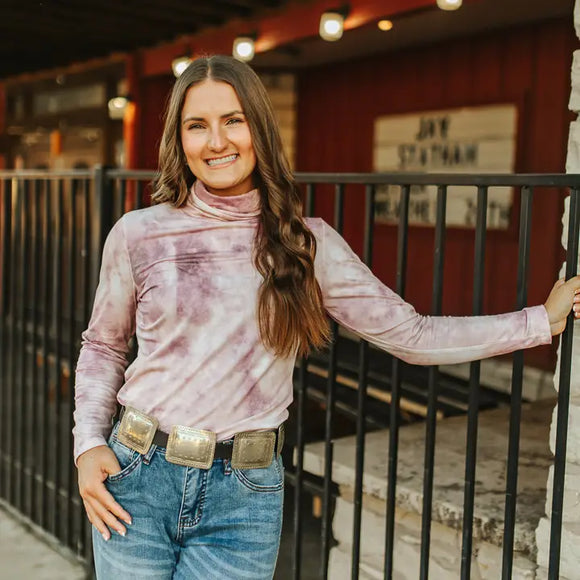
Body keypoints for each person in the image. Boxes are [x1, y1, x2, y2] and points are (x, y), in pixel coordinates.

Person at [74, 54, 580, 580]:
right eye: (196, 126)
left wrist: (537, 322)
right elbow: (104, 345)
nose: (216, 142)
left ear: (260, 130)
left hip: (243, 498)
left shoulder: (307, 244)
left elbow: (412, 334)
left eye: (233, 120)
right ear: (179, 141)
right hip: (137, 477)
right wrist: (88, 443)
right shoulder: (138, 234)